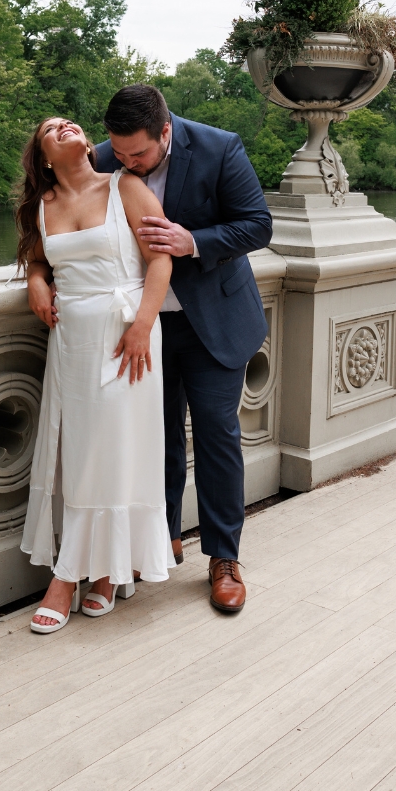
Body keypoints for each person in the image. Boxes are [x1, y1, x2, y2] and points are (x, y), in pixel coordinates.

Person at [94, 84, 273, 613]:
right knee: (157, 435)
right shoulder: (104, 157)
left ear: (165, 131)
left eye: (138, 155)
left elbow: (258, 225)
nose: (126, 164)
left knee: (216, 434)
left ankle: (223, 558)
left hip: (214, 319)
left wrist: (191, 241)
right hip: (143, 328)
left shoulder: (220, 148)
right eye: (119, 154)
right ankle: (164, 538)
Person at [18, 116, 175, 634]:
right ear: (44, 156)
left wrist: (141, 326)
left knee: (117, 449)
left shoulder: (125, 187)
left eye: (69, 123)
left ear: (87, 142)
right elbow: (40, 260)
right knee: (79, 452)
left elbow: (160, 262)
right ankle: (102, 571)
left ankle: (69, 579)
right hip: (73, 344)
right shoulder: (41, 207)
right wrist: (36, 281)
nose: (62, 126)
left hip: (128, 335)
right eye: (48, 127)